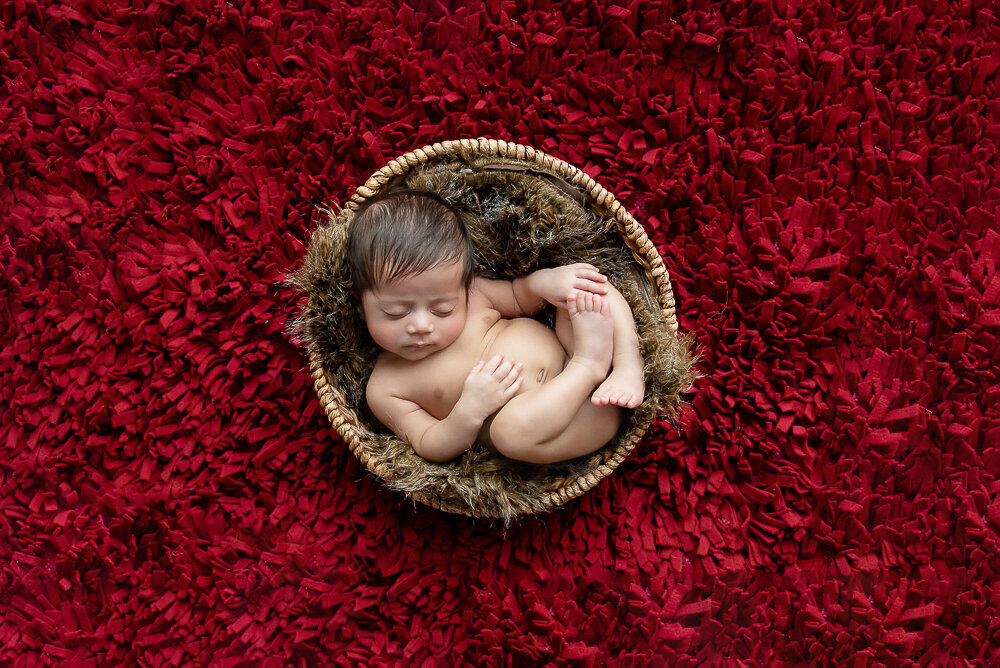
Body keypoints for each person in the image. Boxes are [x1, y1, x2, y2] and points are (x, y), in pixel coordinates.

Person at [348, 191, 645, 465]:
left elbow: (520, 296)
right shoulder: (385, 387)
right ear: (362, 308)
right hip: (576, 420)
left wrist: (547, 282)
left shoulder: (474, 295)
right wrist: (468, 411)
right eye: (395, 313)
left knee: (583, 287)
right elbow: (429, 443)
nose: (422, 325)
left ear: (461, 287)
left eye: (443, 309)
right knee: (508, 432)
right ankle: (590, 365)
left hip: (578, 351)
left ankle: (627, 364)